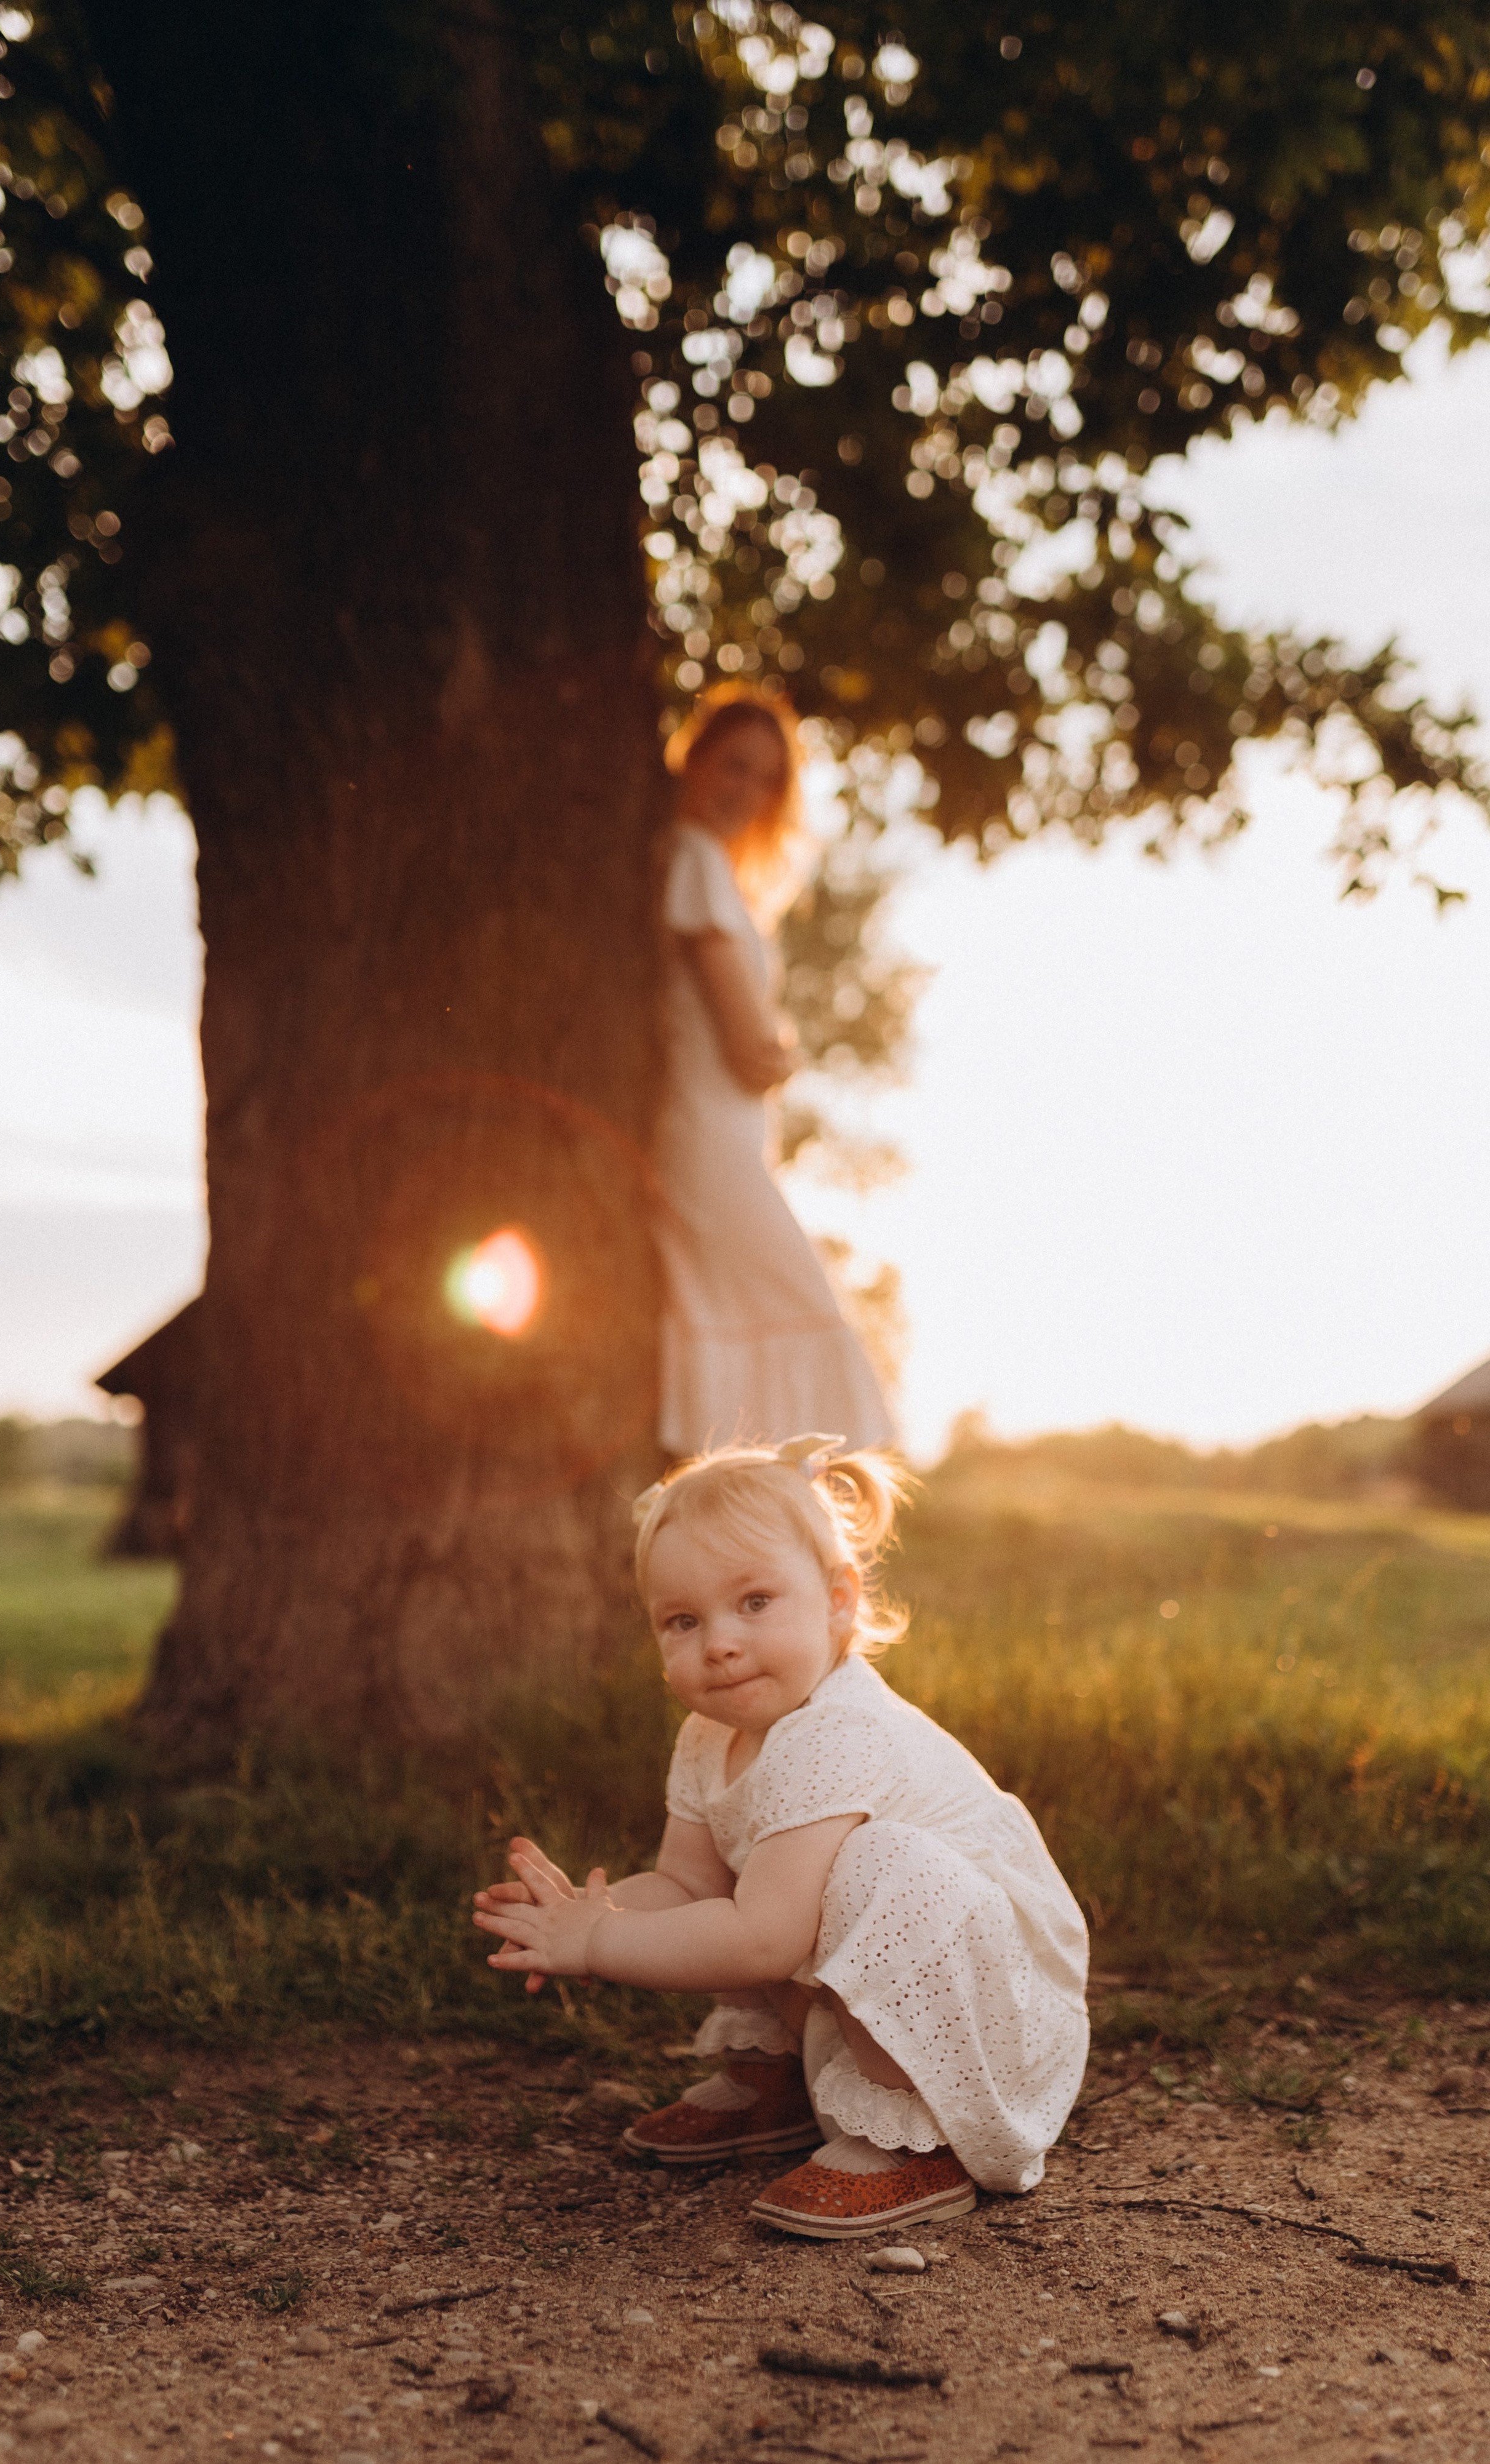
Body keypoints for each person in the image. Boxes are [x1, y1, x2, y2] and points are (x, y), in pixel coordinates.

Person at [473, 1436, 1089, 2239]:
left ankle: (916, 2134)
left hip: (992, 2013)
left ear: (838, 1599)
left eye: (755, 1603)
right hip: (882, 1992)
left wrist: (598, 1948)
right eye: (683, 1621)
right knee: (759, 1880)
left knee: (872, 1867)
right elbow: (689, 1889)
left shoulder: (837, 1731)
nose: (720, 1643)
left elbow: (763, 1941)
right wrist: (582, 1918)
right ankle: (780, 2085)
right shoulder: (708, 1735)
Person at [655, 689, 893, 1455]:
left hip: (720, 1136)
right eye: (732, 767)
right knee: (801, 1307)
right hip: (706, 1138)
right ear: (693, 760)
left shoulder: (711, 869)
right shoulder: (693, 859)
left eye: (765, 780)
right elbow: (748, 1048)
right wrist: (780, 1050)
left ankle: (745, 1529)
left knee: (727, 1316)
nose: (745, 792)